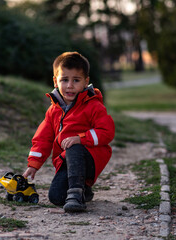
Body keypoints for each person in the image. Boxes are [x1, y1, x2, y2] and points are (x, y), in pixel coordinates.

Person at [23, 51, 115, 212]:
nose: (70, 86)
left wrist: (81, 138)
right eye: (64, 80)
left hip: (91, 158)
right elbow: (42, 139)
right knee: (56, 197)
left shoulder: (93, 106)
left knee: (73, 146)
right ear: (55, 81)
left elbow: (107, 131)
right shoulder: (53, 111)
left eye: (76, 80)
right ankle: (83, 190)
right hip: (67, 162)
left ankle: (76, 195)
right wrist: (33, 165)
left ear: (86, 82)